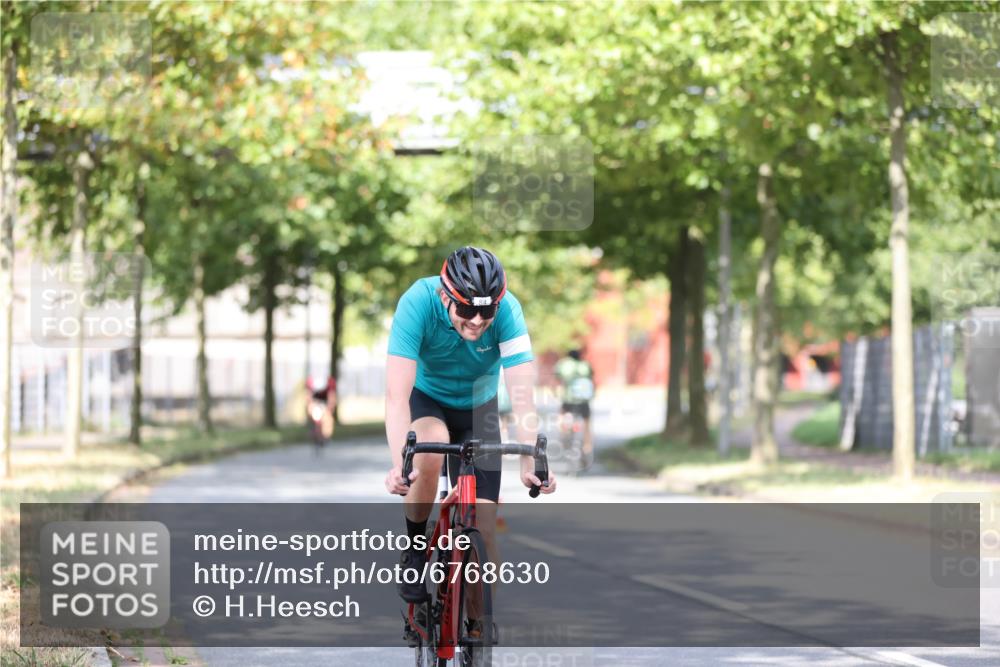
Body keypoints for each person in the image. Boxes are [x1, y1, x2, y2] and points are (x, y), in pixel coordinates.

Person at [383, 246, 557, 607]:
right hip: (429, 402)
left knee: (484, 527)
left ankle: (477, 633)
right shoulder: (418, 301)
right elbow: (396, 397)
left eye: (486, 310)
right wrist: (400, 463)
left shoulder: (509, 311)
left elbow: (523, 397)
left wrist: (531, 463)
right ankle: (415, 550)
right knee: (428, 449)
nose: (477, 320)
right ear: (445, 296)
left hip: (481, 409)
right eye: (465, 308)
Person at [555, 349, 595, 468]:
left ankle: (564, 435)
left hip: (569, 400)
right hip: (584, 401)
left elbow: (558, 378)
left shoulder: (564, 365)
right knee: (587, 426)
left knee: (561, 415)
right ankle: (587, 449)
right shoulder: (585, 365)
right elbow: (591, 378)